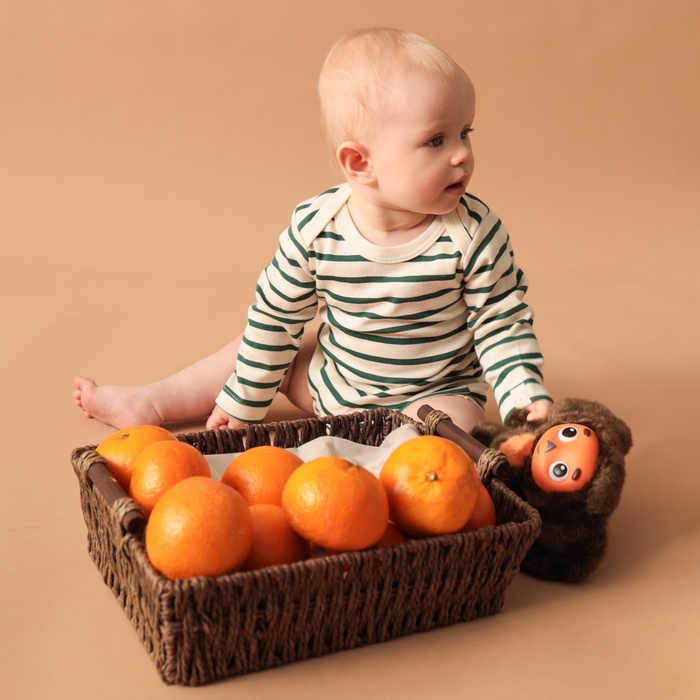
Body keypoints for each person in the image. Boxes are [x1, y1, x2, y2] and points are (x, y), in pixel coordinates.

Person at [75, 27, 552, 435]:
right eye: (436, 140)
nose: (462, 154)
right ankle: (153, 402)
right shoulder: (316, 228)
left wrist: (523, 399)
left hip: (435, 394)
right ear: (360, 162)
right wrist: (244, 400)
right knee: (258, 346)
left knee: (445, 428)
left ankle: (379, 464)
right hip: (331, 388)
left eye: (465, 132)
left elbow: (501, 322)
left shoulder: (474, 233)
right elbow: (276, 317)